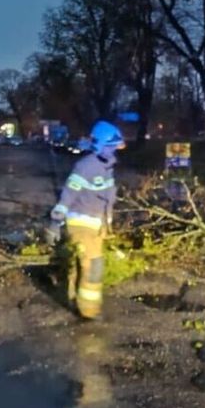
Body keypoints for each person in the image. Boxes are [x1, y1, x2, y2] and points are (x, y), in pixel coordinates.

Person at [50, 120, 123, 319]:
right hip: (81, 223)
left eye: (115, 146)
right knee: (93, 265)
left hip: (96, 226)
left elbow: (107, 199)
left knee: (82, 263)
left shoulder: (107, 167)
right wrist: (55, 222)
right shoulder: (85, 167)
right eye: (111, 146)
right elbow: (68, 195)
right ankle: (88, 311)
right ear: (101, 145)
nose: (114, 150)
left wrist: (107, 225)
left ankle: (74, 298)